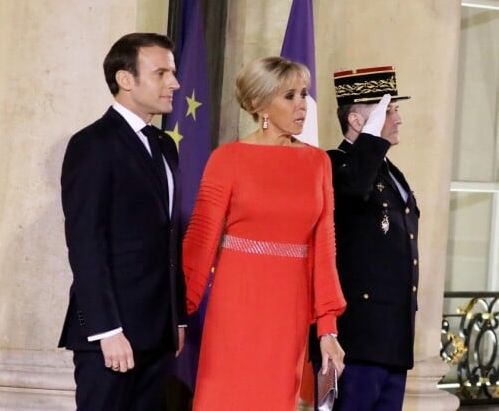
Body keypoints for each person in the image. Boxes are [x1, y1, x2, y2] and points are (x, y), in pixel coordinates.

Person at [182, 56, 346, 411]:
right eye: (290, 96)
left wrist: (327, 329)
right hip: (236, 306)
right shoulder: (228, 158)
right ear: (260, 105)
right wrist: (179, 312)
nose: (302, 104)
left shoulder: (319, 163)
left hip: (289, 309)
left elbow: (324, 248)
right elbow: (200, 240)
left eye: (304, 94)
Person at [58, 32, 187, 411]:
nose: (175, 83)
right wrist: (107, 330)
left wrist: (175, 319)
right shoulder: (92, 144)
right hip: (110, 335)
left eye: (174, 72)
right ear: (125, 80)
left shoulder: (166, 145)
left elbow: (170, 239)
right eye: (162, 72)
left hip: (158, 331)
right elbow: (85, 244)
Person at [311, 65, 419, 411]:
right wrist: (371, 143)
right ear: (358, 121)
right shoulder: (333, 164)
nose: (398, 119)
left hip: (391, 338)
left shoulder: (390, 171)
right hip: (355, 338)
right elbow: (353, 189)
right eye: (388, 111)